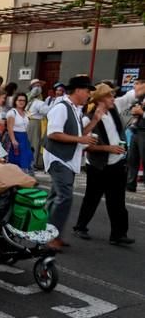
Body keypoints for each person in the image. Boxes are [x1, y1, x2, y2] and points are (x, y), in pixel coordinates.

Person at [73, 81, 145, 244]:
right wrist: (108, 148)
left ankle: (118, 234)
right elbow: (84, 145)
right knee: (92, 198)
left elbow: (132, 95)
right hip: (98, 166)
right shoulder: (88, 119)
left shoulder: (114, 108)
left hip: (117, 164)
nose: (113, 97)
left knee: (118, 200)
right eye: (110, 95)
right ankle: (80, 227)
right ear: (100, 99)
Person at [44, 75, 99, 251]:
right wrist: (80, 138)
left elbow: (79, 132)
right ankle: (52, 237)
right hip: (59, 158)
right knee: (64, 197)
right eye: (87, 91)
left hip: (68, 158)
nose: (89, 94)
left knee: (55, 197)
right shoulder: (61, 108)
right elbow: (53, 133)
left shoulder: (75, 109)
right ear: (77, 91)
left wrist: (95, 120)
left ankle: (48, 232)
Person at [6, 93, 33, 172]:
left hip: (24, 137)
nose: (22, 102)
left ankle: (23, 176)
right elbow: (10, 128)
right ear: (15, 101)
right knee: (16, 158)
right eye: (20, 100)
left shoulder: (26, 112)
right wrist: (13, 140)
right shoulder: (12, 113)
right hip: (15, 136)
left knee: (26, 157)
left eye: (24, 100)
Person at [126, 78, 145, 192]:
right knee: (132, 159)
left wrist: (141, 113)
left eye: (137, 84)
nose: (135, 87)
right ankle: (130, 184)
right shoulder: (140, 99)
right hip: (136, 131)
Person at [27, 79, 49, 170]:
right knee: (35, 143)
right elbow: (47, 112)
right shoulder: (39, 103)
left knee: (30, 142)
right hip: (36, 123)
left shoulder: (27, 101)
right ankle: (34, 162)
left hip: (29, 122)